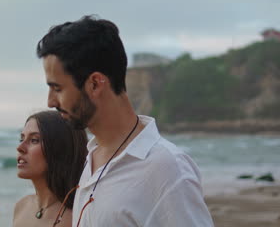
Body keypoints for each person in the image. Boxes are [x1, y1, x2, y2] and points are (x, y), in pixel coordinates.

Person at [36, 15, 214, 227]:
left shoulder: (166, 169)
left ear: (95, 84)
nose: (50, 101)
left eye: (58, 88)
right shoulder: (93, 156)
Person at [13, 111, 88, 227]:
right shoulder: (21, 207)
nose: (20, 147)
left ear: (59, 149)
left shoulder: (79, 215)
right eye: (21, 139)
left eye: (34, 140)